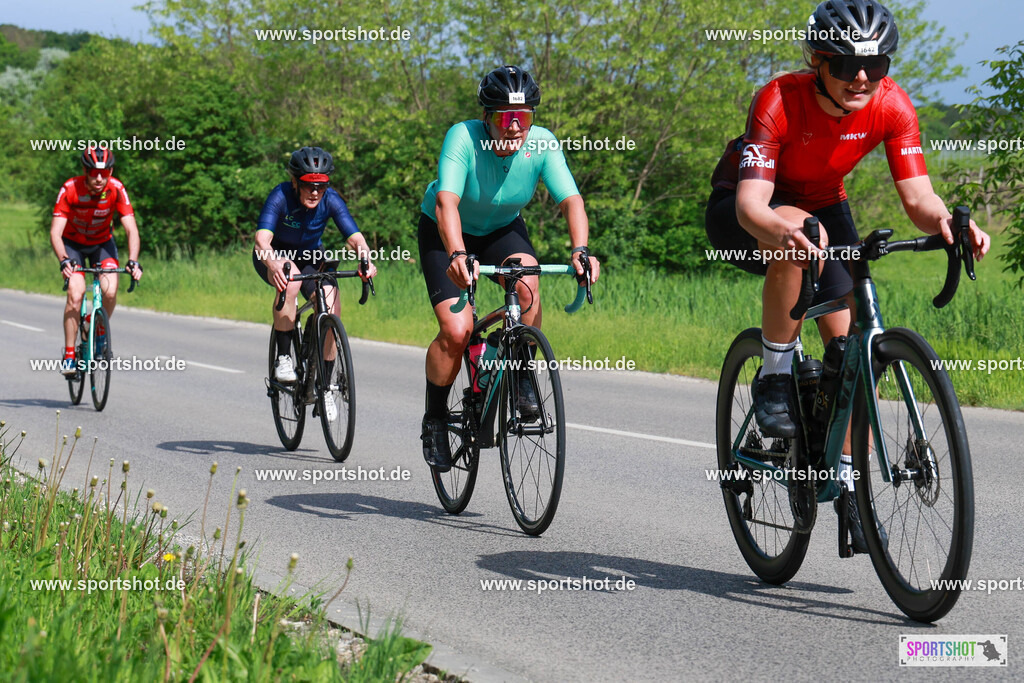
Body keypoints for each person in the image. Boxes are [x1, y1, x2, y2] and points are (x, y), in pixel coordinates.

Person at [705, 0, 990, 551]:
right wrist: (783, 232)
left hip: (824, 206)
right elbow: (751, 205)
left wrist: (952, 223)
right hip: (747, 209)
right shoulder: (779, 99)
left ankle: (847, 481)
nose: (862, 77)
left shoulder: (892, 106)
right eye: (845, 65)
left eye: (876, 65)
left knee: (851, 359)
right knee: (796, 231)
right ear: (817, 60)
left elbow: (918, 197)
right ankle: (773, 376)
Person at [418, 65, 600, 471]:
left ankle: (518, 373)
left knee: (528, 280)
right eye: (505, 117)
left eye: (524, 117)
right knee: (457, 330)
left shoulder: (543, 144)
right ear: (487, 117)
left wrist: (581, 250)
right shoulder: (463, 137)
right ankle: (434, 418)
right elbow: (447, 202)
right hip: (447, 231)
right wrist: (455, 254)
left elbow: (572, 201)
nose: (516, 126)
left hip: (501, 229)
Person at [253, 146, 376, 419]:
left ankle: (327, 387)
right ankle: (284, 357)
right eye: (309, 185)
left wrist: (365, 259)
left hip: (309, 255)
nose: (315, 193)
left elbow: (355, 237)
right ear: (296, 182)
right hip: (274, 255)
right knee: (290, 279)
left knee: (331, 304)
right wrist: (272, 263)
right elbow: (262, 240)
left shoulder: (330, 199)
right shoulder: (280, 196)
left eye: (321, 186)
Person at [50, 146, 143, 375]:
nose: (100, 178)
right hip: (73, 245)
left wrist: (133, 261)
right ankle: (70, 355)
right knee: (75, 293)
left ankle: (97, 330)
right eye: (94, 173)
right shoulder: (70, 188)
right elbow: (55, 232)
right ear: (85, 171)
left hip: (102, 244)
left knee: (110, 291)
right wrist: (64, 260)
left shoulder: (117, 188)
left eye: (105, 172)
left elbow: (131, 229)